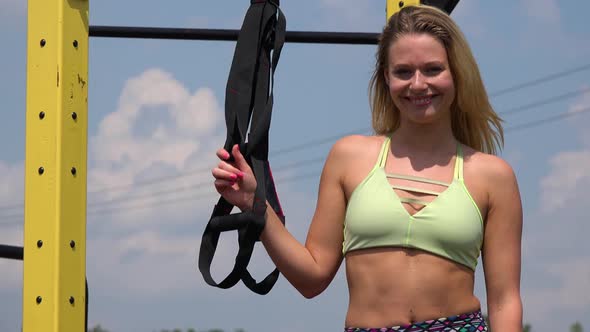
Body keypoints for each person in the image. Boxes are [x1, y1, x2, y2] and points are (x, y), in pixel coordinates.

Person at [211, 5, 523, 332]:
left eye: (433, 69)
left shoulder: (493, 176)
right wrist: (254, 203)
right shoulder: (349, 157)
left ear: (457, 73)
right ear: (385, 78)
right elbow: (312, 277)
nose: (418, 84)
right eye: (403, 71)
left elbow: (504, 301)